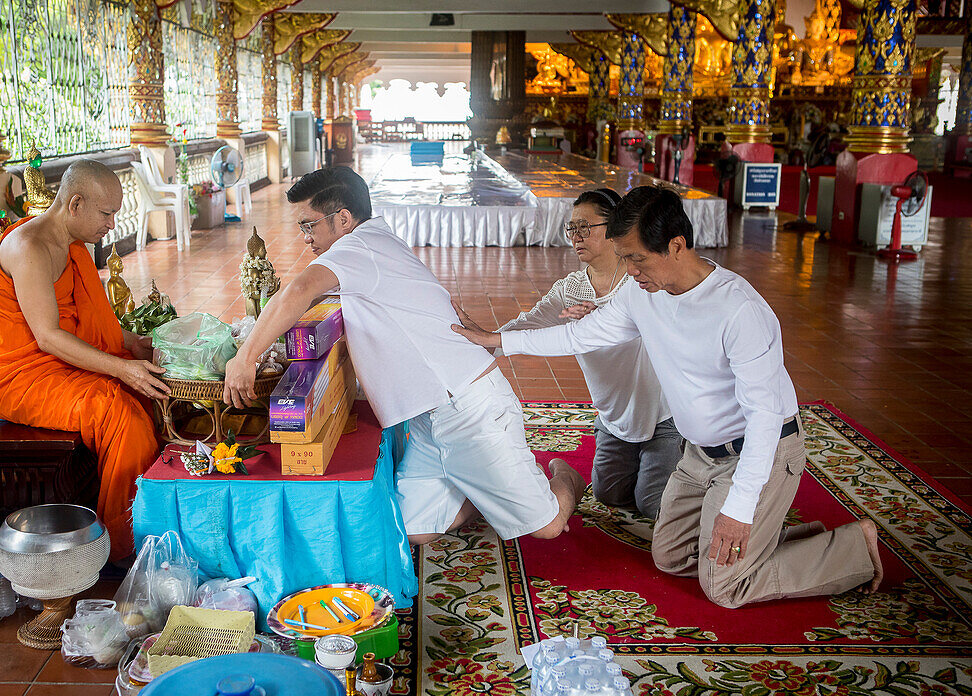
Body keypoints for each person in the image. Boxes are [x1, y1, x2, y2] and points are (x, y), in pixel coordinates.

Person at [452, 185, 883, 608]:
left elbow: (766, 419)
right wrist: (496, 341)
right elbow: (578, 335)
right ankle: (783, 543)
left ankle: (854, 549)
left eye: (637, 259)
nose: (631, 272)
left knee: (724, 587)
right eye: (625, 259)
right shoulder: (643, 295)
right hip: (699, 455)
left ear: (676, 246)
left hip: (758, 450)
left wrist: (740, 506)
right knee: (672, 556)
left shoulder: (738, 310)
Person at [222, 166, 583, 545]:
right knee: (411, 531)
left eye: (309, 225)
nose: (305, 238)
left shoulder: (357, 247)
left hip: (469, 409)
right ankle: (485, 488)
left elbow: (299, 289)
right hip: (432, 414)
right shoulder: (370, 241)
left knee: (547, 525)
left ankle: (562, 474)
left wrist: (245, 357)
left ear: (343, 219)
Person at [0, 160, 167, 561]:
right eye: (106, 213)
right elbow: (47, 336)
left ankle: (157, 518)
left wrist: (132, 344)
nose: (112, 224)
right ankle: (119, 544)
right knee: (120, 415)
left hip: (59, 363)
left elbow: (85, 322)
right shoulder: (29, 247)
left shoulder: (74, 247)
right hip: (17, 374)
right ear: (75, 203)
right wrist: (121, 366)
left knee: (151, 394)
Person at [459, 188, 679, 519]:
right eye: (572, 228)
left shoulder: (641, 282)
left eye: (585, 227)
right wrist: (485, 341)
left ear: (615, 226)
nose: (576, 236)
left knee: (653, 506)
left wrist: (598, 323)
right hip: (614, 417)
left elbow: (657, 334)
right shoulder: (570, 289)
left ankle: (692, 461)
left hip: (663, 413)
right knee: (609, 495)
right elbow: (530, 323)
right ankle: (570, 469)